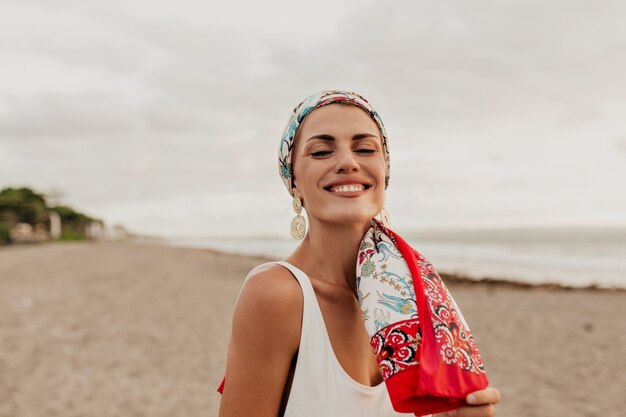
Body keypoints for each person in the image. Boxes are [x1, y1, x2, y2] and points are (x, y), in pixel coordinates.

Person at [218, 90, 501, 417]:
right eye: (322, 151)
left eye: (365, 149)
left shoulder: (417, 300)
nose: (348, 162)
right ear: (293, 181)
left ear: (385, 172)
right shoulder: (277, 294)